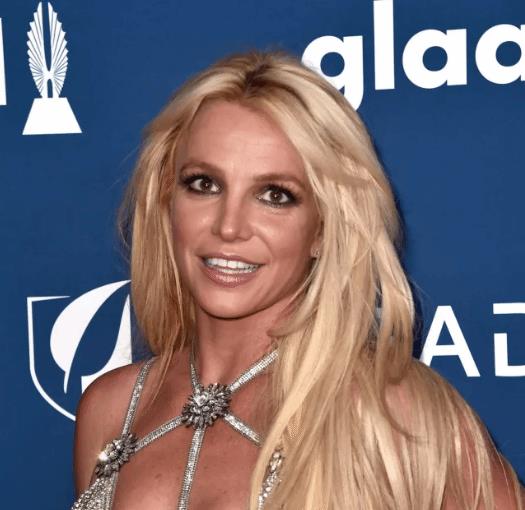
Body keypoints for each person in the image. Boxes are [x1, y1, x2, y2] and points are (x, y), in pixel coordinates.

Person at [71, 49, 524, 510]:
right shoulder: (111, 408)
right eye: (204, 184)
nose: (229, 227)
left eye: (275, 195)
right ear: (166, 197)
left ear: (323, 228)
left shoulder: (394, 413)